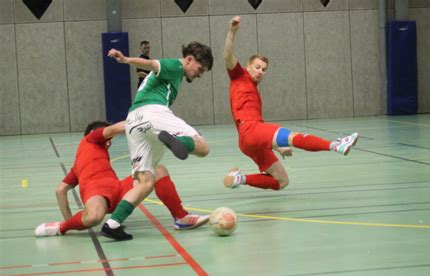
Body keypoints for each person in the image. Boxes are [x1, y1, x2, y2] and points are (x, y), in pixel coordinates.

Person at [222, 16, 359, 191]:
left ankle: (239, 179)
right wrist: (232, 31)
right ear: (248, 66)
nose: (261, 72)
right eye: (257, 67)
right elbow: (227, 55)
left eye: (264, 70)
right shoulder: (239, 76)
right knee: (296, 138)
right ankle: (336, 145)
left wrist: (277, 147)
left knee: (281, 182)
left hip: (247, 140)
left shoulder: (254, 90)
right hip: (251, 130)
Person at [101, 42, 214, 239]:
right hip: (153, 113)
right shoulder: (176, 66)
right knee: (203, 147)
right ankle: (180, 143)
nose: (200, 74)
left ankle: (112, 224)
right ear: (189, 60)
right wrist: (126, 59)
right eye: (200, 69)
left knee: (145, 182)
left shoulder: (176, 75)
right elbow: (153, 64)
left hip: (133, 121)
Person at [35, 121, 208, 240]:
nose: (109, 141)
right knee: (94, 217)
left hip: (118, 190)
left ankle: (181, 217)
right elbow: (115, 128)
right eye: (106, 138)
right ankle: (61, 227)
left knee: (158, 170)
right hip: (96, 194)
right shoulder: (90, 138)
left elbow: (60, 190)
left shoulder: (80, 164)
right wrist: (145, 122)